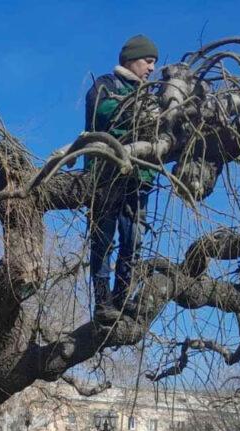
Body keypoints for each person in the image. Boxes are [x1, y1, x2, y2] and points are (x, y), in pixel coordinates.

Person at [85, 34, 159, 321]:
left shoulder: (151, 95)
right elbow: (103, 114)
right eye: (148, 61)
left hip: (140, 177)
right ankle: (103, 302)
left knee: (133, 238)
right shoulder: (107, 84)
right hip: (107, 174)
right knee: (102, 238)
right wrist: (139, 113)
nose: (152, 68)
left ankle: (123, 296)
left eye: (154, 63)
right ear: (131, 60)